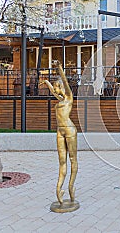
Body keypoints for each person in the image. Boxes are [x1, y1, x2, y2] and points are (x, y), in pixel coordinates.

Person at [43, 63, 78, 205]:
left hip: (70, 130)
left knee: (72, 159)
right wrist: (46, 82)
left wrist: (59, 69)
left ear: (61, 86)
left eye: (56, 87)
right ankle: (59, 190)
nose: (55, 90)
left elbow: (64, 81)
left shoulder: (69, 98)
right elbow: (52, 91)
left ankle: (70, 188)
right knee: (62, 162)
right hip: (60, 131)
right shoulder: (59, 101)